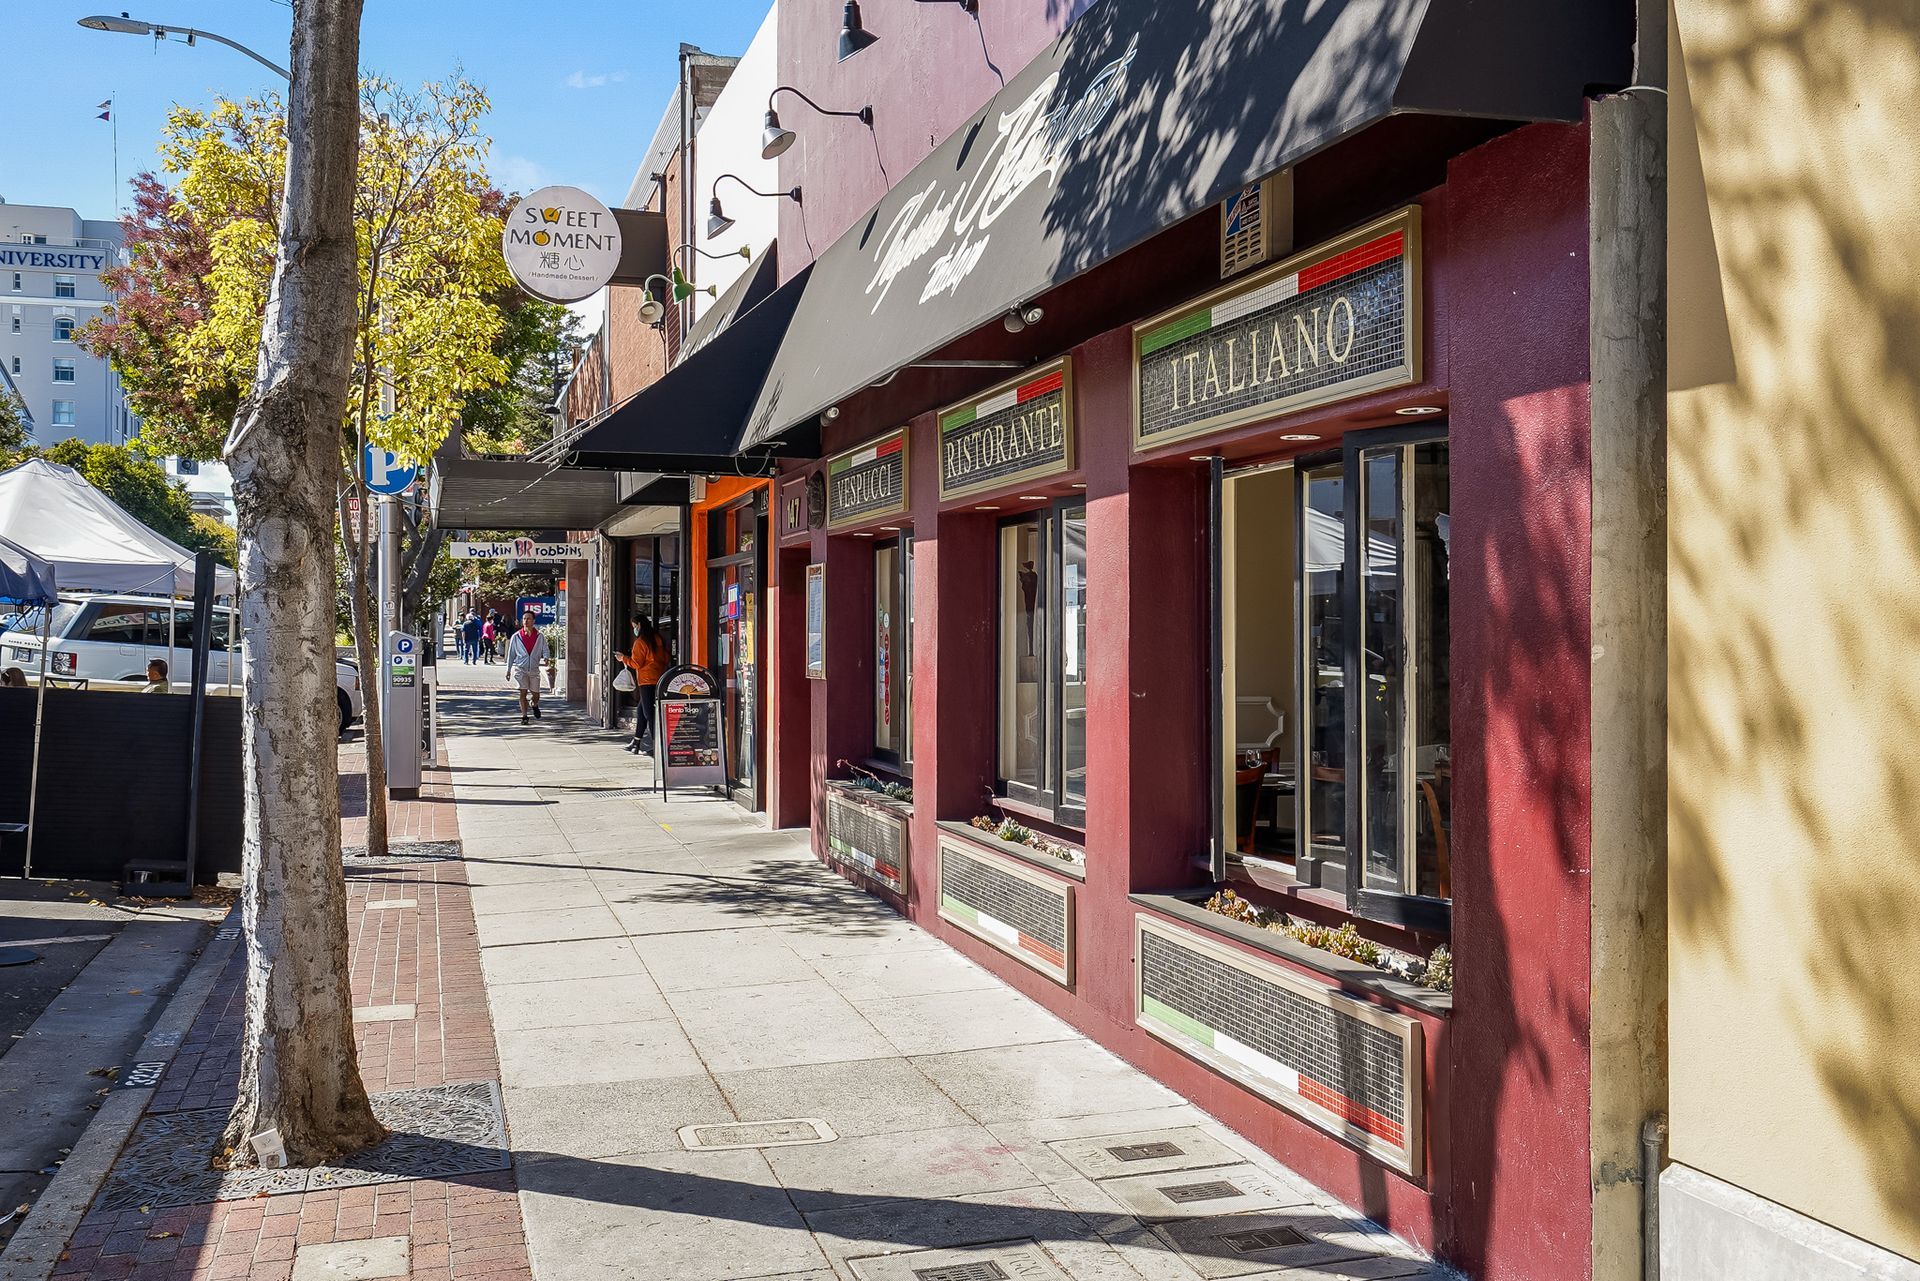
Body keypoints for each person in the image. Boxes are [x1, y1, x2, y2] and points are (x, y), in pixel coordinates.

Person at [618, 615, 671, 754]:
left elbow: (636, 664)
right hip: (658, 679)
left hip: (646, 681)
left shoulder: (640, 642)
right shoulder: (657, 639)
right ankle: (636, 742)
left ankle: (658, 747)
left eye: (634, 626)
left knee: (649, 714)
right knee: (641, 711)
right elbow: (665, 658)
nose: (634, 629)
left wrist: (623, 658)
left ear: (639, 625)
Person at [504, 608, 550, 724]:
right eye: (524, 619)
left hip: (534, 670)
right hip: (521, 669)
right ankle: (524, 716)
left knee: (536, 695)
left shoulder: (539, 636)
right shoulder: (516, 636)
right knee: (522, 692)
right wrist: (508, 669)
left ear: (533, 621)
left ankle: (534, 704)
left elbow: (545, 648)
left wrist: (546, 657)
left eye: (529, 619)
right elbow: (511, 654)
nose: (526, 621)